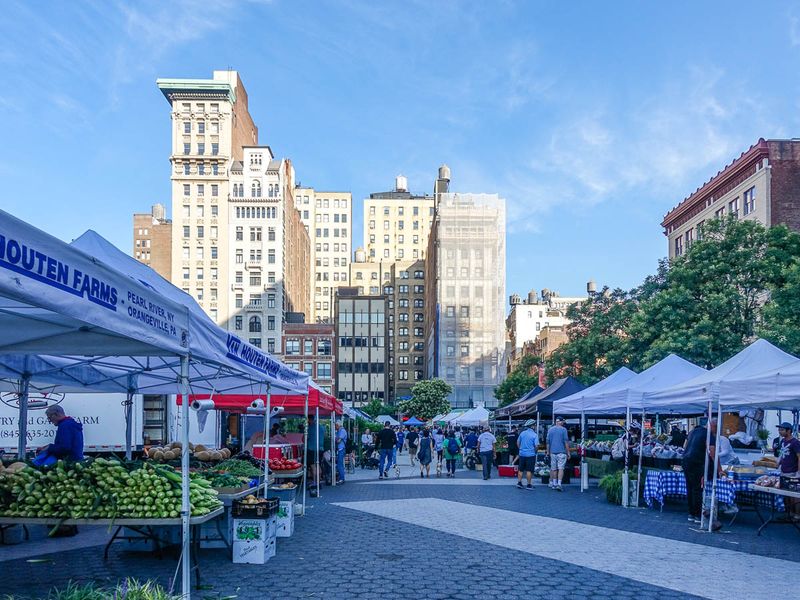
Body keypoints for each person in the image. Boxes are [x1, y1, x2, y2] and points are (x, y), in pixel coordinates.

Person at [682, 419, 713, 524]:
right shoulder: (708, 434)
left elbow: (684, 446)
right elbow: (712, 452)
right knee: (697, 489)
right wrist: (719, 468)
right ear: (712, 426)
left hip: (686, 461)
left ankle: (691, 513)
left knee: (690, 488)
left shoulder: (692, 432)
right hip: (697, 462)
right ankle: (698, 515)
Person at [776, 422, 800, 519]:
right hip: (784, 470)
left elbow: (799, 457)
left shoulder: (795, 442)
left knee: (794, 495)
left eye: (782, 430)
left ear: (789, 431)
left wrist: (799, 472)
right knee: (785, 493)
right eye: (779, 429)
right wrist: (779, 462)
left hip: (793, 472)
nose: (779, 431)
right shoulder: (782, 441)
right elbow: (782, 454)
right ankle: (789, 513)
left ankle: (797, 515)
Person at [546, 418, 570, 491]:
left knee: (553, 469)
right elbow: (566, 442)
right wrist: (568, 452)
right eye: (562, 421)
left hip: (552, 452)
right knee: (561, 468)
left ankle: (554, 483)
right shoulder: (564, 430)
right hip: (561, 452)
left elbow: (548, 442)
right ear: (560, 421)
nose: (563, 422)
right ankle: (559, 484)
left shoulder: (550, 429)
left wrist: (548, 452)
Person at [516, 420, 539, 490]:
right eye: (534, 425)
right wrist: (534, 452)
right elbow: (536, 446)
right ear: (532, 426)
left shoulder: (522, 433)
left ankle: (519, 483)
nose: (535, 426)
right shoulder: (534, 435)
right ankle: (529, 485)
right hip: (530, 455)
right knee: (529, 470)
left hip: (522, 454)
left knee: (520, 469)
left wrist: (521, 449)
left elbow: (517, 442)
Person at [306, 415, 326, 489]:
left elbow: (304, 438)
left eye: (308, 420)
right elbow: (324, 436)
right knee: (318, 465)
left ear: (309, 419)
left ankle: (315, 483)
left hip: (312, 449)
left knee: (313, 466)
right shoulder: (321, 427)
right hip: (320, 449)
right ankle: (318, 482)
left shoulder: (310, 428)